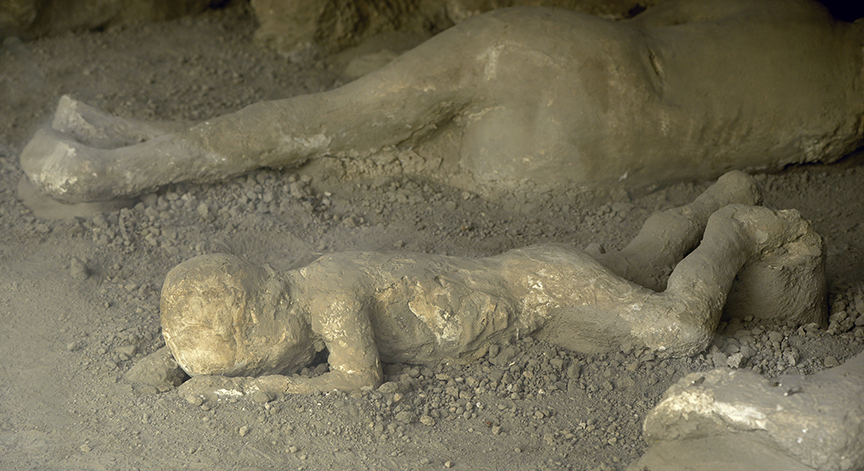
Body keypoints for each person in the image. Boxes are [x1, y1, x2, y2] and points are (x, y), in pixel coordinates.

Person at [19, 0, 864, 207]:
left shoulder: (799, 16)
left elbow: (642, 21)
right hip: (571, 167)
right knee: (341, 141)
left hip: (559, 65)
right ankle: (122, 142)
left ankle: (114, 164)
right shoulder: (842, 108)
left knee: (333, 116)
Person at [161, 172, 823, 400]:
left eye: (258, 354)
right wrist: (190, 365)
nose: (271, 361)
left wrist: (253, 389)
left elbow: (358, 379)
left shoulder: (329, 299)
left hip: (537, 285)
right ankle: (717, 196)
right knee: (633, 269)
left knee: (678, 328)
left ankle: (732, 226)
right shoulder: (301, 300)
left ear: (270, 306)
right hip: (533, 302)